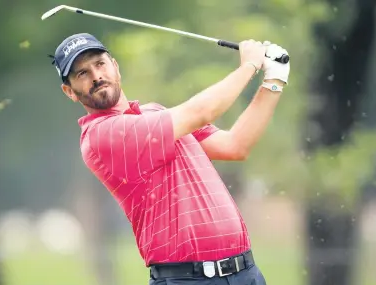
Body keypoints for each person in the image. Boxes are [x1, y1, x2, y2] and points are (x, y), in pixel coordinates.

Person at [50, 32, 290, 285]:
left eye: (100, 64)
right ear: (70, 91)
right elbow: (201, 112)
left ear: (115, 66)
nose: (97, 76)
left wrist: (274, 79)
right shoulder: (101, 136)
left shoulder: (156, 113)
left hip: (245, 273)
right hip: (186, 279)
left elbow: (236, 145)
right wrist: (249, 65)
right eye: (82, 73)